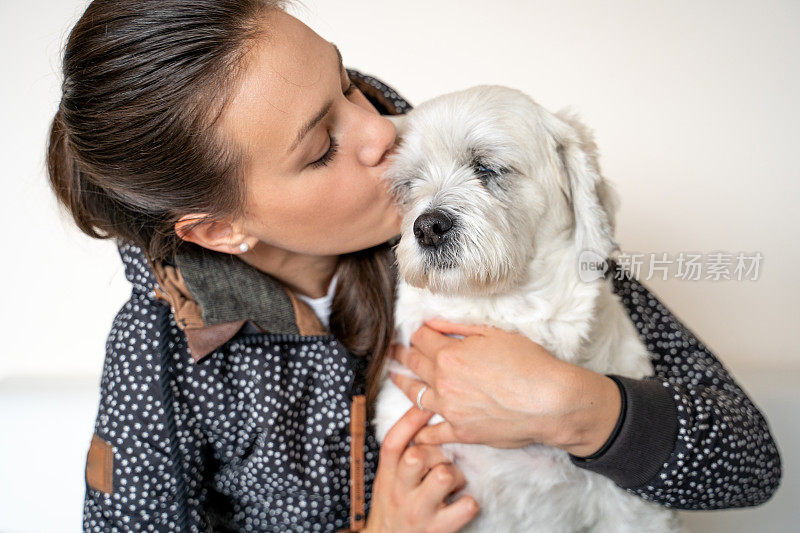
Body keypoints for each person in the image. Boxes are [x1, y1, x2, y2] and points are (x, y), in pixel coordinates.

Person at [46, 0, 781, 531]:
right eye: (321, 146)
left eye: (344, 83)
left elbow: (751, 464)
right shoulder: (162, 350)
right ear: (219, 228)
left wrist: (582, 406)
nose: (380, 129)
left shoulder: (489, 218)